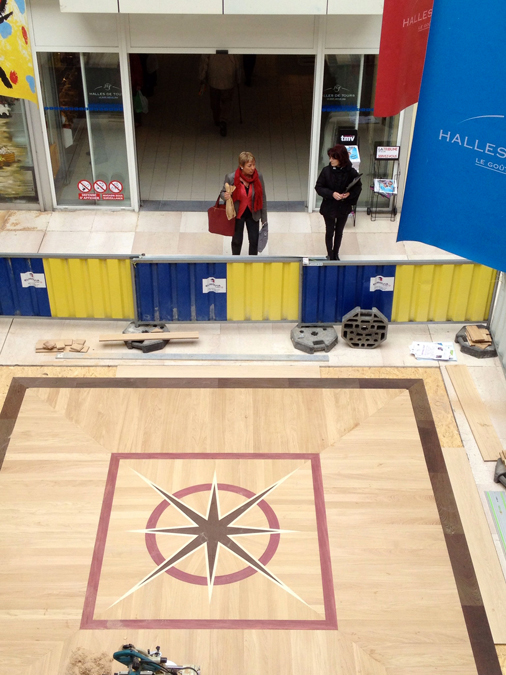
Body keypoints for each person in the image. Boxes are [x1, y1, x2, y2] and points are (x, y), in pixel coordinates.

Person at [315, 144, 362, 260]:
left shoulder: (351, 172)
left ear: (341, 159)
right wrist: (331, 194)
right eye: (330, 157)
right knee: (329, 230)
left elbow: (358, 187)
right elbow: (319, 187)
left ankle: (336, 254)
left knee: (339, 231)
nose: (330, 160)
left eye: (333, 158)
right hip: (329, 205)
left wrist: (349, 194)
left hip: (343, 206)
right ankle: (330, 254)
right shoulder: (326, 171)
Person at [221, 151, 267, 255]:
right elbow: (222, 192)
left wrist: (264, 219)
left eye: (254, 165)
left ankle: (252, 264)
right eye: (249, 165)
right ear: (241, 166)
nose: (252, 168)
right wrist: (225, 196)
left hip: (253, 213)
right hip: (238, 214)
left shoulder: (258, 177)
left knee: (254, 241)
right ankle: (236, 262)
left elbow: (263, 197)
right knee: (237, 241)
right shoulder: (231, 177)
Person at [199, 54, 241, 137]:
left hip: (214, 77)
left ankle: (216, 118)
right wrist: (238, 79)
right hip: (229, 77)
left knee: (214, 100)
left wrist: (202, 77)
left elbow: (204, 60)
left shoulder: (211, 44)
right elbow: (238, 63)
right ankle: (223, 120)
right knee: (227, 101)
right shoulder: (233, 44)